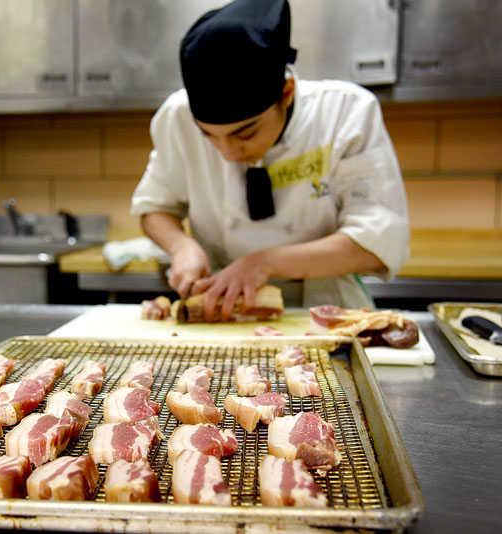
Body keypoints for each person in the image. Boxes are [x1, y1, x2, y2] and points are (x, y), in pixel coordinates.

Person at [131, 0, 409, 320]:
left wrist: (263, 262)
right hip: (222, 309)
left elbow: (377, 240)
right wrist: (181, 246)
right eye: (208, 135)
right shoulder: (176, 117)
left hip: (325, 313)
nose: (228, 152)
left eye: (245, 134)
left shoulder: (346, 113)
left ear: (287, 93)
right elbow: (154, 208)